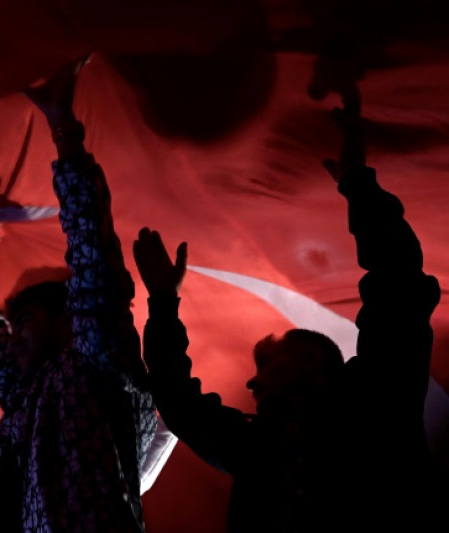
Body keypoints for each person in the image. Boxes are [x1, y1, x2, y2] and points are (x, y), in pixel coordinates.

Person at [132, 84, 442, 533]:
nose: (257, 377)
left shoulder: (379, 396)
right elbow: (175, 398)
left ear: (319, 362)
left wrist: (360, 186)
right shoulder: (253, 443)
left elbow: (398, 289)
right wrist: (161, 302)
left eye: (274, 359)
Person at [0, 58, 159, 533]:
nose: (14, 339)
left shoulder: (94, 364)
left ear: (67, 322)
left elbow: (91, 254)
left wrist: (63, 127)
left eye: (25, 324)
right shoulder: (26, 394)